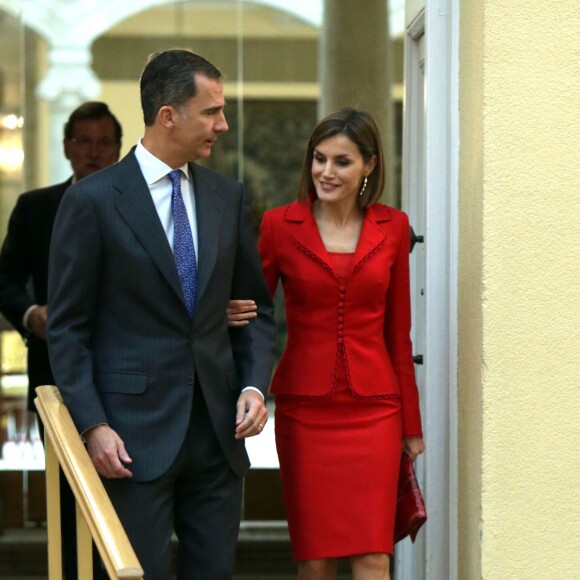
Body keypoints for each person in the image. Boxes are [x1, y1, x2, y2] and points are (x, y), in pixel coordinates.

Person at [46, 49, 275, 580]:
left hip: (219, 440)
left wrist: (254, 387)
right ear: (168, 115)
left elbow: (258, 309)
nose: (224, 123)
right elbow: (68, 327)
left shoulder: (227, 196)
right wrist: (93, 425)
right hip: (130, 441)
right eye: (212, 110)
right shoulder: (93, 201)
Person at [228, 108, 425, 580]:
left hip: (376, 410)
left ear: (369, 166)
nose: (326, 172)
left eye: (342, 162)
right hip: (305, 412)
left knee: (373, 555)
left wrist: (411, 425)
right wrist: (226, 312)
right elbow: (255, 309)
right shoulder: (279, 225)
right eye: (319, 159)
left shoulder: (393, 227)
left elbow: (399, 334)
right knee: (314, 559)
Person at [0, 101, 122, 579]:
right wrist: (31, 315)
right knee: (70, 499)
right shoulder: (36, 207)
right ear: (68, 146)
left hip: (128, 376)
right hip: (57, 376)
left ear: (117, 147)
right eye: (84, 141)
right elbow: (5, 278)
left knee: (124, 496)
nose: (94, 152)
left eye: (104, 142)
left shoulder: (140, 206)